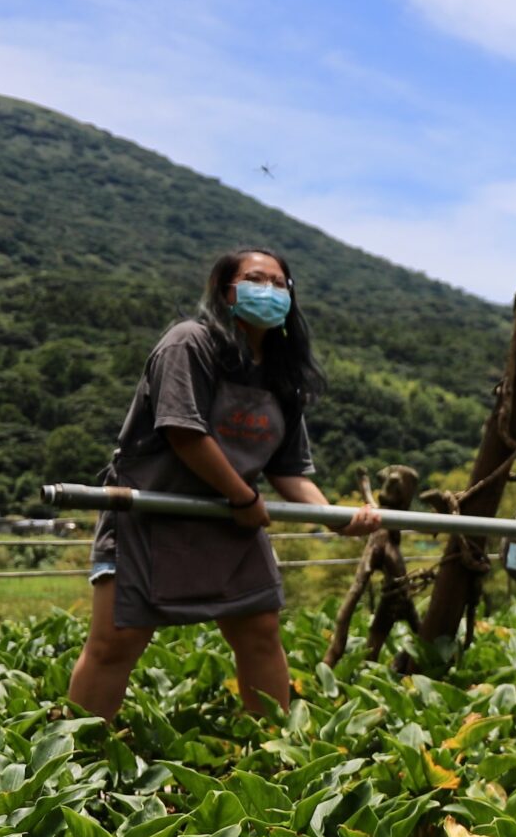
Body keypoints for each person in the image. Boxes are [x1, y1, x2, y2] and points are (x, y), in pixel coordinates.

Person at [67, 249, 381, 719]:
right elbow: (184, 432)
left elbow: (289, 470)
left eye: (280, 284)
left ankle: (273, 751)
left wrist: (335, 519)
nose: (270, 291)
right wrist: (244, 497)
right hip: (153, 514)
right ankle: (71, 765)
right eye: (256, 279)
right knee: (117, 640)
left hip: (232, 520)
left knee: (260, 632)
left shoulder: (281, 375)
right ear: (225, 290)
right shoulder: (188, 343)